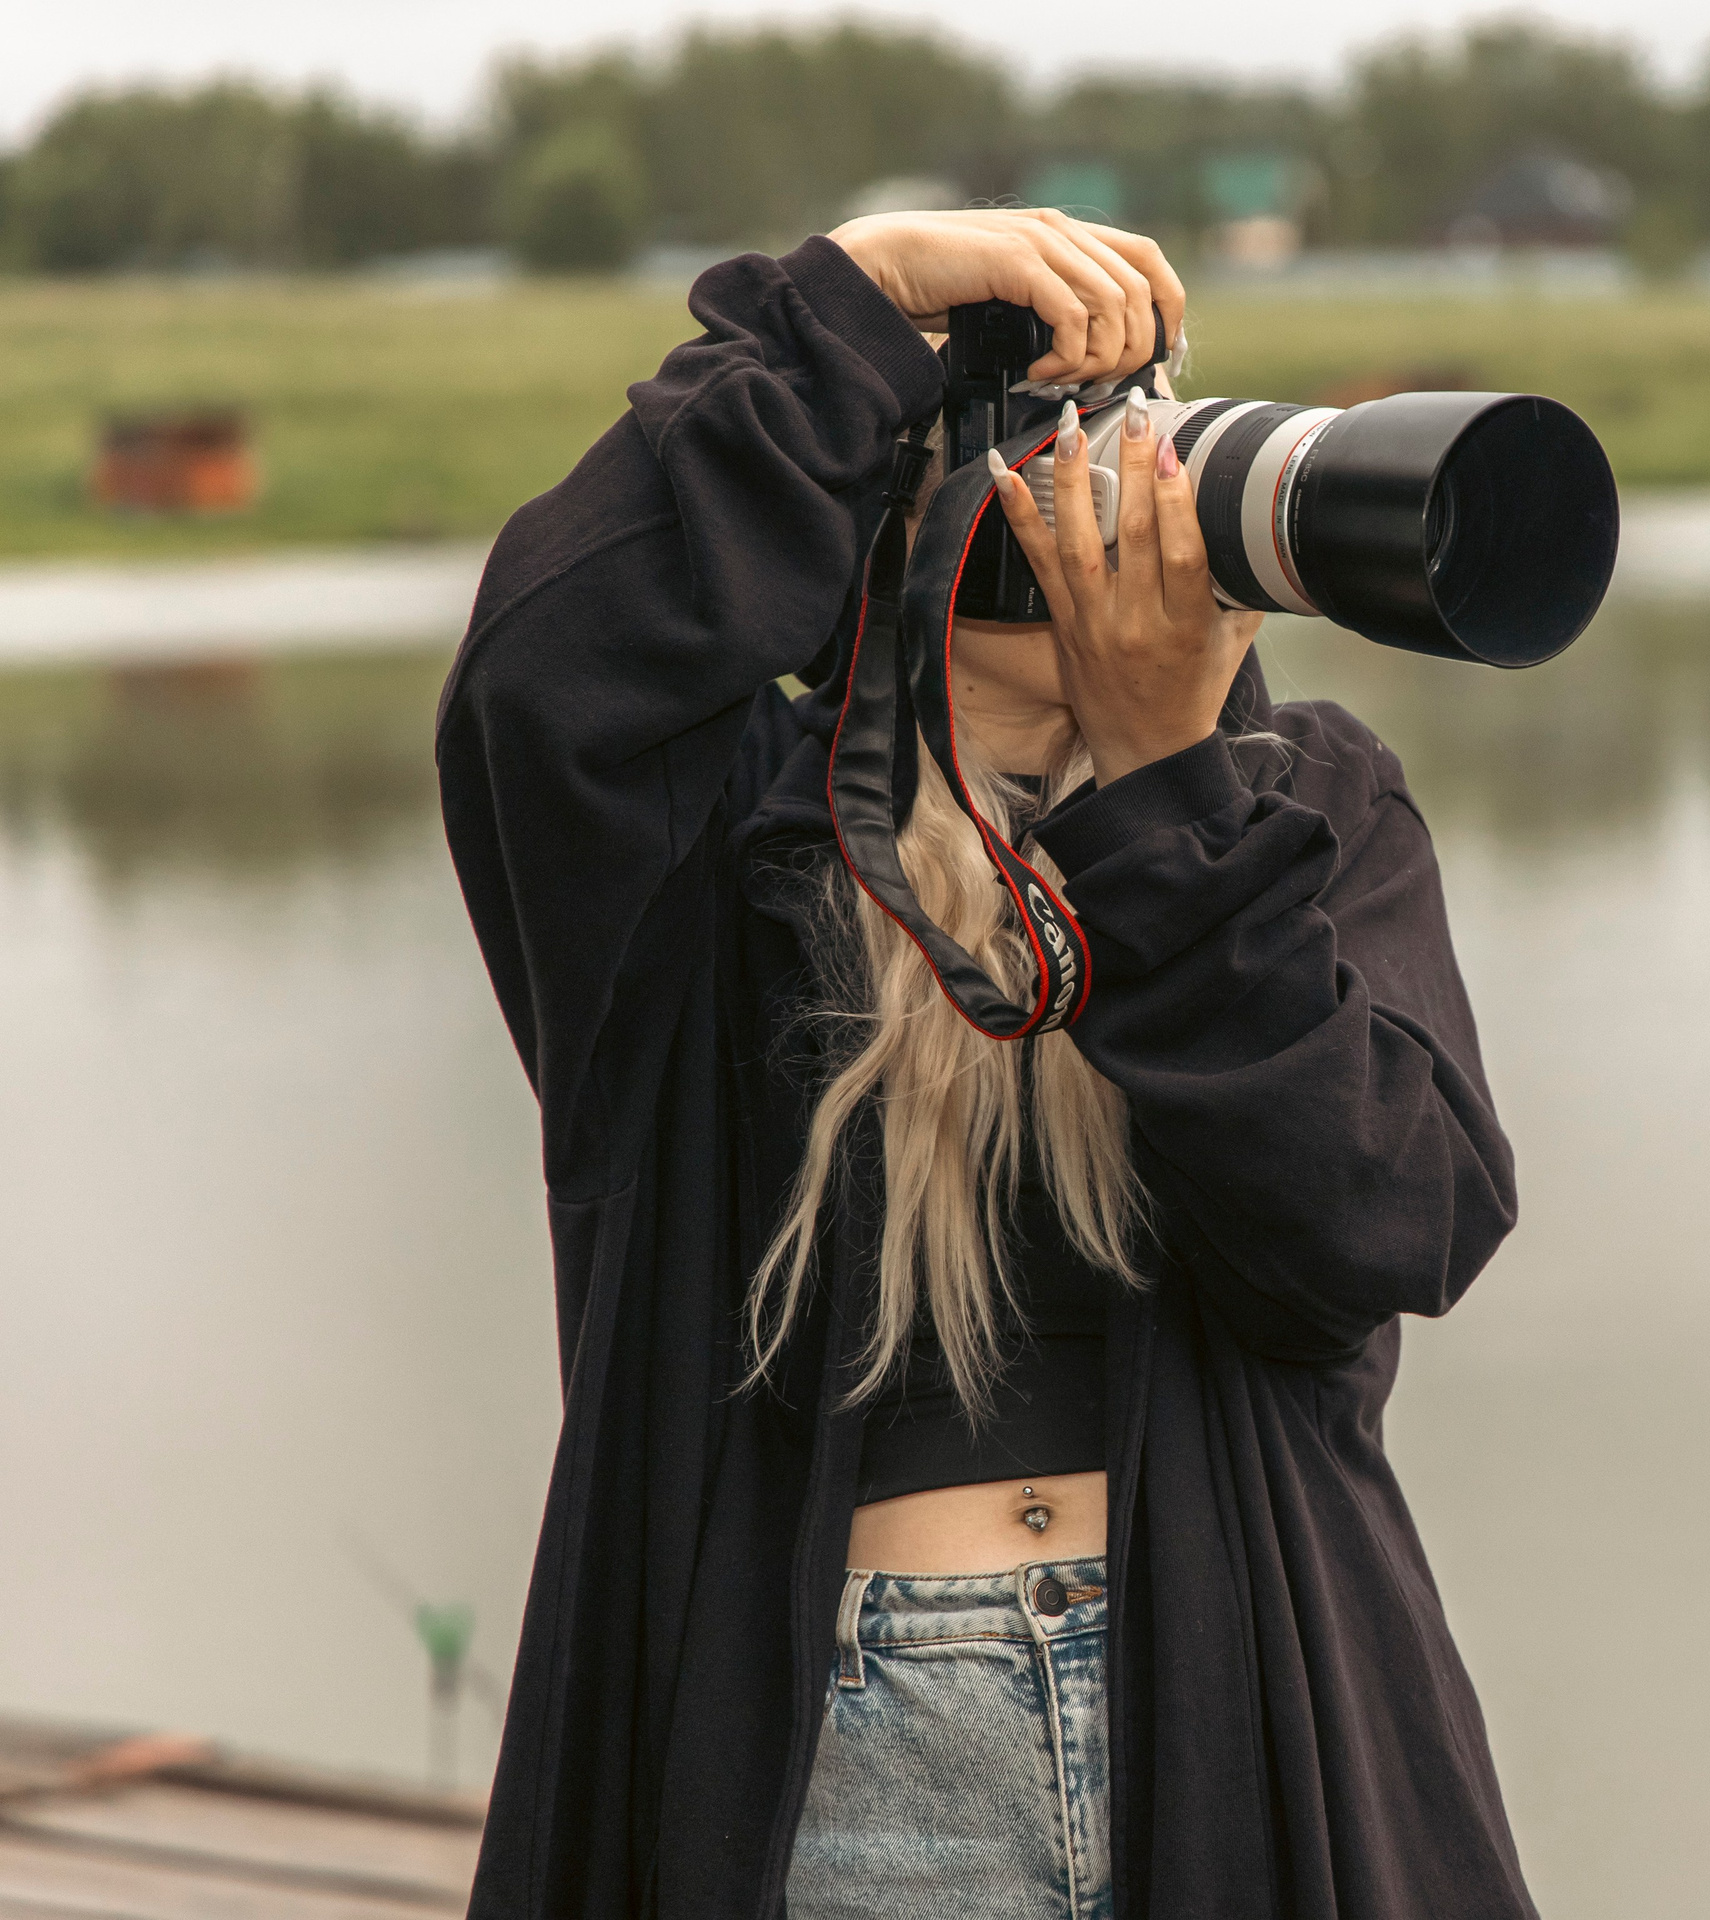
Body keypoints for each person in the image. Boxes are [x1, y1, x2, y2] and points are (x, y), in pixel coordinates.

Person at [437, 207, 1534, 1920]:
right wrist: (853, 302)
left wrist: (1171, 788)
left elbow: (1392, 1225)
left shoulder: (1301, 809)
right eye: (1057, 456)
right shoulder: (737, 845)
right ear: (916, 516)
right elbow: (546, 679)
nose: (1128, 499)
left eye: (1146, 447)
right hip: (846, 1762)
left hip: (1238, 1724)